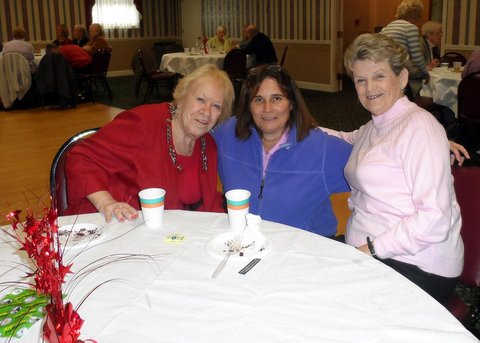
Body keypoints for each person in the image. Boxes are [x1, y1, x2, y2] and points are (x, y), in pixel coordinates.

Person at [322, 33, 463, 305]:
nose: (368, 87)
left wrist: (370, 250)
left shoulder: (420, 128)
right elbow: (345, 138)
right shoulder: (376, 125)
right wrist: (293, 126)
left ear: (402, 78)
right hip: (377, 253)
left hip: (418, 264)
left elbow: (434, 219)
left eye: (378, 76)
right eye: (360, 80)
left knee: (329, 304)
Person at [65, 64, 234, 222]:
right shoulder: (143, 124)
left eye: (216, 106)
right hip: (111, 225)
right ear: (182, 98)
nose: (206, 111)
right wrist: (105, 202)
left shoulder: (208, 145)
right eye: (200, 99)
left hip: (165, 236)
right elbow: (81, 158)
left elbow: (206, 203)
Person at [213, 64, 352, 237]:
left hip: (304, 251)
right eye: (258, 100)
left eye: (277, 98)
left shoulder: (322, 148)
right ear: (249, 106)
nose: (267, 109)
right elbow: (191, 139)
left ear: (291, 103)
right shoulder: (228, 134)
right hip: (245, 246)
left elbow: (376, 171)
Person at [380, 0, 428, 98]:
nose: (420, 19)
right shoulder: (410, 28)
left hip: (386, 66)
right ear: (415, 15)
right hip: (400, 67)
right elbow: (417, 56)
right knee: (422, 76)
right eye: (420, 16)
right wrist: (426, 73)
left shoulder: (388, 27)